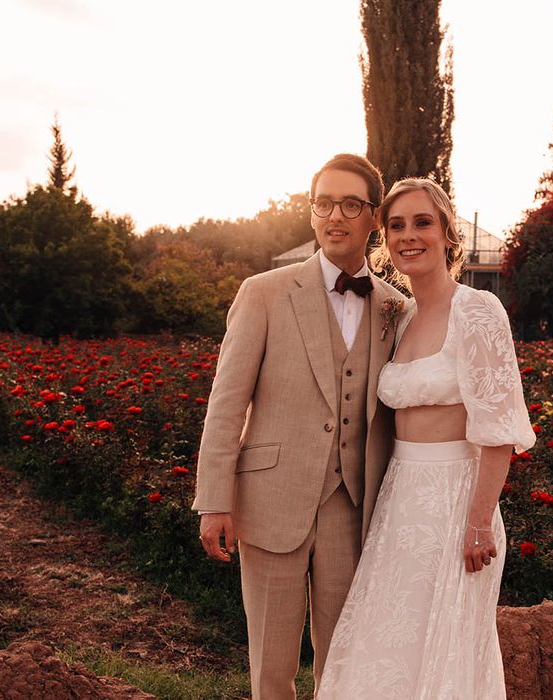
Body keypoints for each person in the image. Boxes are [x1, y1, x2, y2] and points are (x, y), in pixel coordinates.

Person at [192, 153, 406, 699]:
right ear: (312, 213)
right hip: (270, 500)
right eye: (323, 203)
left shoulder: (395, 308)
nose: (335, 216)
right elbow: (226, 402)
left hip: (351, 507)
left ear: (374, 217)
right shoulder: (263, 292)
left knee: (343, 663)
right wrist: (215, 500)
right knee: (271, 665)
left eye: (351, 204)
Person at [317, 178, 537, 699]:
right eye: (395, 225)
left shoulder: (478, 310)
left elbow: (499, 431)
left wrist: (479, 524)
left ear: (448, 235)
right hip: (399, 503)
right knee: (386, 645)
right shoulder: (402, 316)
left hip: (459, 504)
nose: (407, 235)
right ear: (384, 238)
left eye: (422, 223)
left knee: (448, 650)